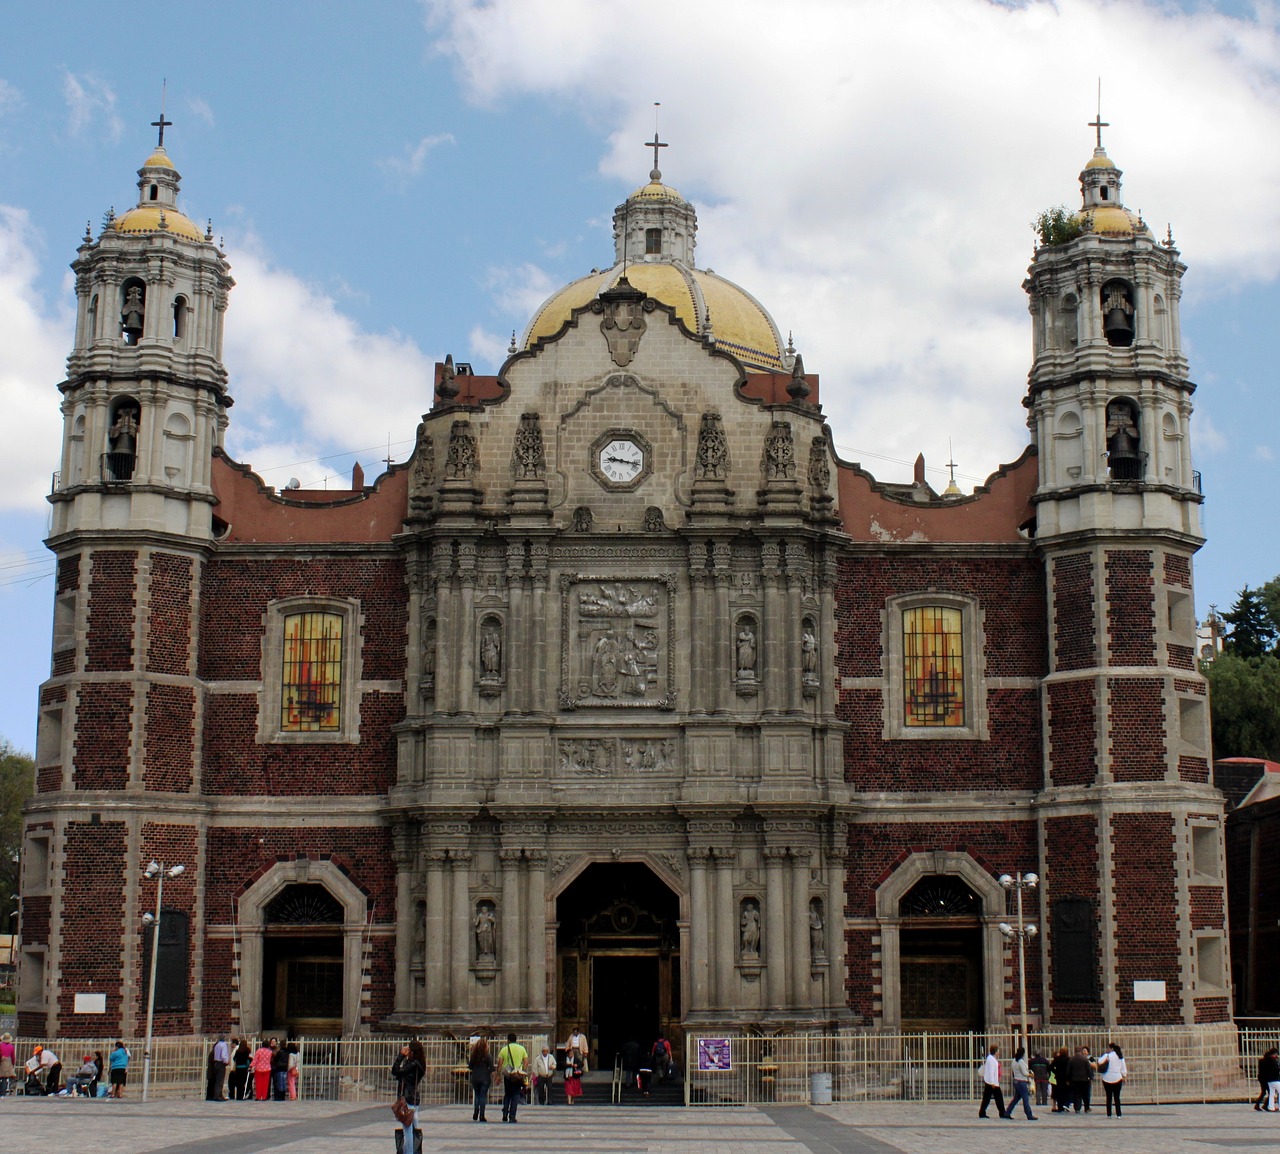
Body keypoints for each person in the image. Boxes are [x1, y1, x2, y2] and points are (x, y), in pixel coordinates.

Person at [391, 1039, 426, 1154]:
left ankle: (410, 1152)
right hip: (414, 1098)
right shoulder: (419, 1063)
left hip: (408, 1098)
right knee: (413, 1128)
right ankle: (414, 1150)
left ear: (412, 1052)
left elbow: (395, 1071)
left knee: (408, 1130)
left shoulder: (413, 1065)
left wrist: (401, 1056)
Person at [497, 1032, 529, 1123]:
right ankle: (512, 1116)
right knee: (515, 1095)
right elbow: (526, 1062)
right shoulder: (522, 1049)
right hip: (517, 1075)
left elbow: (499, 1064)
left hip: (508, 1075)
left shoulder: (504, 1049)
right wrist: (522, 1071)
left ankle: (505, 1114)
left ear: (508, 1040)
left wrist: (498, 1075)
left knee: (507, 1094)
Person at [978, 1044, 1009, 1119]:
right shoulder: (991, 1059)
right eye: (998, 1051)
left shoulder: (991, 1058)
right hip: (992, 1082)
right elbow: (991, 1071)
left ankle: (982, 1112)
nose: (999, 1052)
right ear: (995, 1051)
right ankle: (1002, 1112)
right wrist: (992, 1082)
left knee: (987, 1098)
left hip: (992, 1082)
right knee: (998, 1098)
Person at [1097, 1041, 1127, 1117]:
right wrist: (1124, 1076)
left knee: (1109, 1097)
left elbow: (1099, 1061)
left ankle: (1109, 1114)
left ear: (1111, 1048)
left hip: (1107, 1078)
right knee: (1117, 1097)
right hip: (1117, 1078)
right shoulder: (1120, 1057)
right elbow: (1123, 1069)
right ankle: (1118, 1114)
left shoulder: (1107, 1056)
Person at [468, 1034, 493, 1121]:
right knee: (482, 1096)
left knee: (477, 1096)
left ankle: (475, 1113)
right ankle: (482, 1115)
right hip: (485, 1078)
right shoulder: (488, 1056)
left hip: (475, 1077)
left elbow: (470, 1066)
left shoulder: (474, 1055)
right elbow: (492, 1067)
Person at [1008, 1045, 1037, 1120]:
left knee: (1016, 1099)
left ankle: (1007, 1112)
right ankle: (1029, 1114)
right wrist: (1030, 1075)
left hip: (1016, 1081)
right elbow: (1024, 1072)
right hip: (1021, 1081)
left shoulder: (1014, 1060)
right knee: (1025, 1099)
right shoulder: (1020, 1061)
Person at [1068, 1045, 1096, 1113]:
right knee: (1085, 1095)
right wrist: (1091, 1077)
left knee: (1076, 1095)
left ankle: (1077, 1108)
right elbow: (1088, 1069)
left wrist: (1068, 1079)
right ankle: (1086, 1108)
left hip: (1075, 1080)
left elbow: (1068, 1070)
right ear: (1080, 1051)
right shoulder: (1085, 1059)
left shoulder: (1071, 1059)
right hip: (1084, 1080)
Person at [207, 1034, 229, 1100]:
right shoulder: (224, 1045)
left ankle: (218, 1095)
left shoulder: (217, 1045)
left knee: (217, 1081)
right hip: (221, 1063)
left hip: (216, 1063)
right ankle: (218, 1095)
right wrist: (226, 1061)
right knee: (220, 1081)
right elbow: (223, 1055)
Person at [1049, 1046, 1071, 1112]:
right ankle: (1065, 1105)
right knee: (1066, 1092)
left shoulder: (1056, 1059)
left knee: (1059, 1092)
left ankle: (1060, 1107)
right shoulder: (1069, 1059)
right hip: (1066, 1077)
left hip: (1058, 1077)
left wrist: (1056, 1072)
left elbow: (1050, 1067)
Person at [1261, 1046, 1280, 1112]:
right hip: (1275, 1079)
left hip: (1269, 1080)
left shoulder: (1266, 1060)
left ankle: (1271, 1107)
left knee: (1272, 1094)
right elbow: (1276, 1070)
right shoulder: (1273, 1061)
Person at [0, 1031, 16, 1097]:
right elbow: (13, 1057)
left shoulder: (0, 1045)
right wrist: (12, 1064)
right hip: (7, 1062)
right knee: (4, 1078)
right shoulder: (11, 1047)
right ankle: (2, 1094)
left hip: (1, 1060)